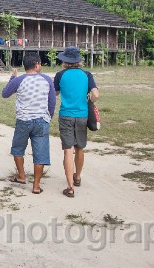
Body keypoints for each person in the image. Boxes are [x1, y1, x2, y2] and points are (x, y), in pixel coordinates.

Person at [2, 52, 55, 194]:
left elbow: (5, 94)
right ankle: (36, 186)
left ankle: (21, 175)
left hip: (24, 120)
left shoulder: (18, 80)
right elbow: (52, 101)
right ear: (37, 65)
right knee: (41, 153)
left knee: (18, 148)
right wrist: (49, 115)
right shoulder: (47, 80)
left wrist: (12, 77)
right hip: (42, 120)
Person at [54, 46, 100, 198]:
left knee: (68, 149)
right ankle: (78, 177)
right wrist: (89, 102)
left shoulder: (60, 75)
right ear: (79, 61)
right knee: (80, 147)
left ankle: (70, 187)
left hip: (66, 115)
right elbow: (96, 95)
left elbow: (55, 93)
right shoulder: (87, 75)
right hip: (82, 115)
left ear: (65, 61)